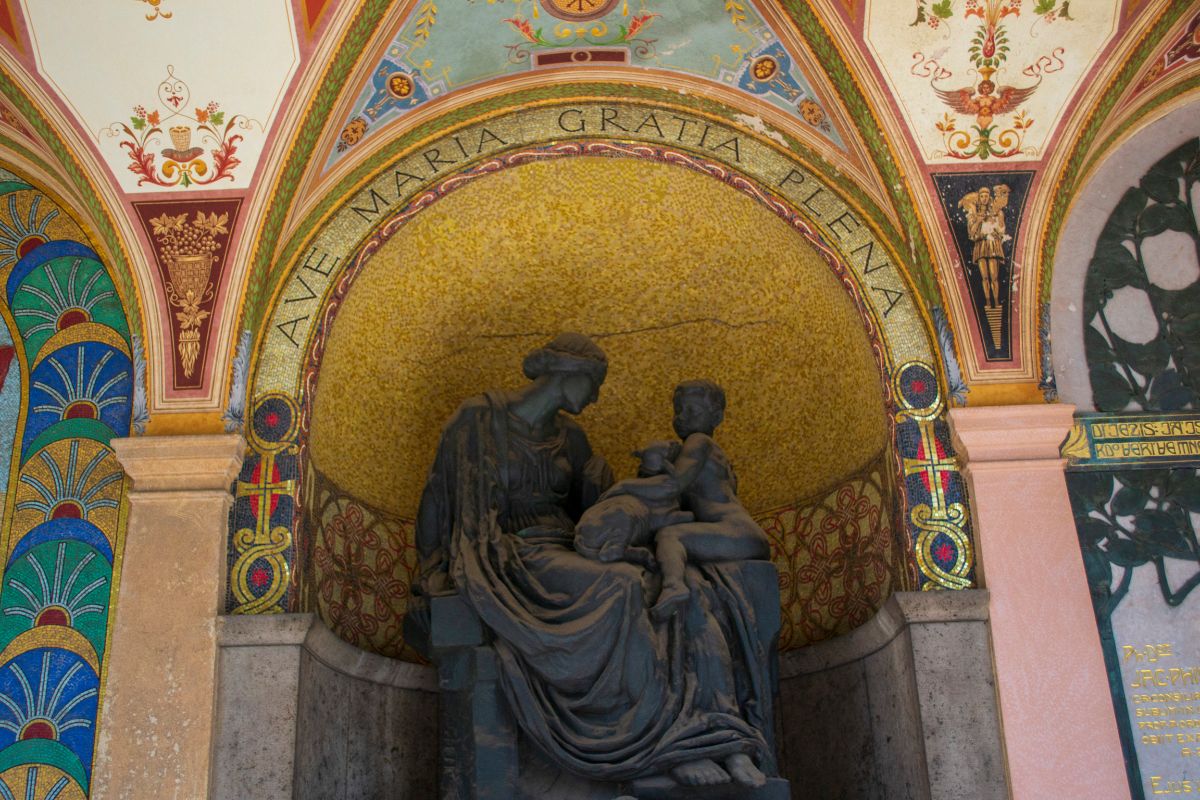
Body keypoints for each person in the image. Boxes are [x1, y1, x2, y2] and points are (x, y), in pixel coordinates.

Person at [412, 333, 776, 790]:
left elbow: (589, 515)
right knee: (622, 584)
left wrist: (601, 486)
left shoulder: (573, 438)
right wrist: (431, 568)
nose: (597, 397)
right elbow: (438, 497)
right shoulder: (478, 418)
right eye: (595, 384)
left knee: (667, 587)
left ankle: (705, 734)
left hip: (566, 549)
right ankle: (658, 745)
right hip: (512, 554)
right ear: (569, 373)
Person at [649, 380, 771, 622]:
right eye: (678, 410)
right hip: (745, 532)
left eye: (692, 411)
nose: (682, 417)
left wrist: (648, 470)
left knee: (669, 536)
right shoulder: (715, 455)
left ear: (716, 417)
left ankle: (674, 586)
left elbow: (674, 485)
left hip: (735, 531)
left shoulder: (698, 442)